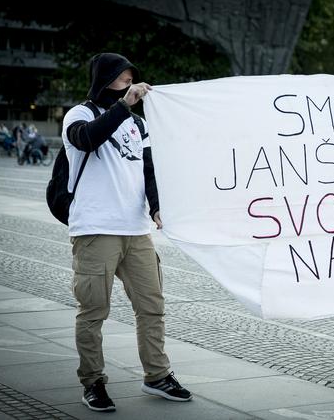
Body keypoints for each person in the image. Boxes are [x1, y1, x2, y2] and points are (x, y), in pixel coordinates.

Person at [63, 53, 191, 412]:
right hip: (95, 228)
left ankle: (157, 375)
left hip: (136, 231)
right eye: (121, 79)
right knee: (93, 310)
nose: (128, 85)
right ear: (104, 81)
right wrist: (122, 105)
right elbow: (86, 140)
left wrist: (156, 207)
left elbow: (148, 169)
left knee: (151, 306)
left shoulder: (138, 124)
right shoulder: (81, 114)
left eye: (131, 79)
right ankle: (92, 382)